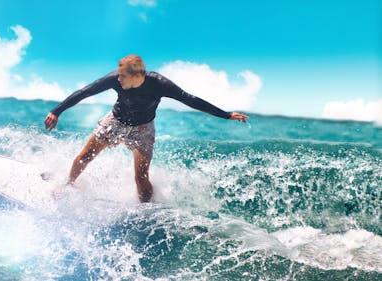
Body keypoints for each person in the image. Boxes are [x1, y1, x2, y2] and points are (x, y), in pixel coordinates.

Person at [44, 55, 248, 202]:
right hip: (115, 121)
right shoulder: (114, 79)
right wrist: (56, 111)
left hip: (143, 129)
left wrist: (226, 115)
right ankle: (68, 183)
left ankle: (145, 211)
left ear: (136, 76)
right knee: (85, 156)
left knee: (141, 177)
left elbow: (190, 100)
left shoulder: (159, 84)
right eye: (118, 75)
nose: (118, 79)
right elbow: (85, 92)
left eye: (123, 76)